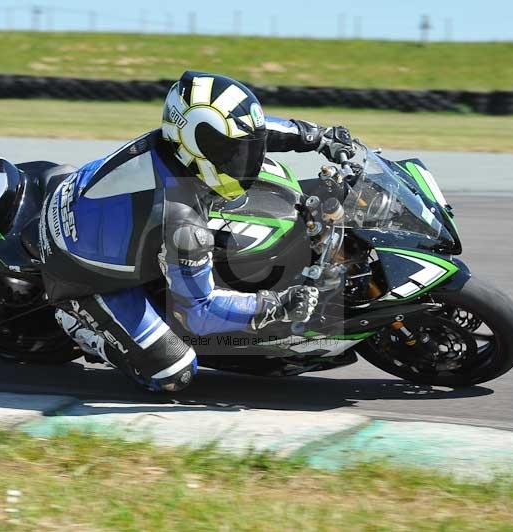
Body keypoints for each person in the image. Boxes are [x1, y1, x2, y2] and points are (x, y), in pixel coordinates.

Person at [39, 71, 354, 392]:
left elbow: (252, 130)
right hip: (77, 270)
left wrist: (315, 135)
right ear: (198, 145)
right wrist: (276, 305)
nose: (248, 159)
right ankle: (76, 320)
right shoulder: (180, 215)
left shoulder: (180, 145)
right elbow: (200, 314)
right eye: (234, 152)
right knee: (173, 371)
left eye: (245, 149)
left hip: (95, 209)